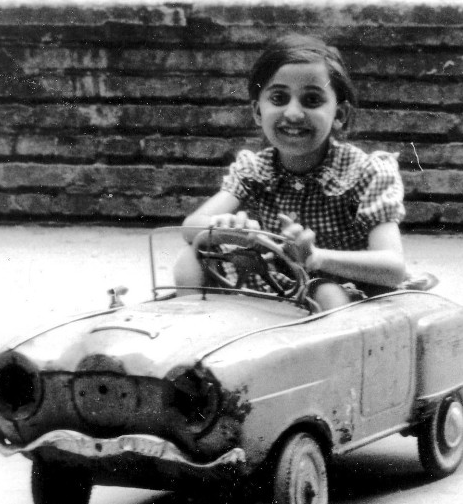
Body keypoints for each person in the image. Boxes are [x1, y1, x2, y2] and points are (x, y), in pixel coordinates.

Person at [174, 33, 406, 309]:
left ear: (339, 115)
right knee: (189, 259)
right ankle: (198, 328)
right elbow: (191, 227)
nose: (293, 113)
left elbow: (393, 267)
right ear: (258, 112)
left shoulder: (365, 173)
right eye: (279, 98)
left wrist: (317, 257)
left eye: (312, 99)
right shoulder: (254, 170)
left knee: (325, 293)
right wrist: (224, 228)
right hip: (276, 282)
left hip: (342, 285)